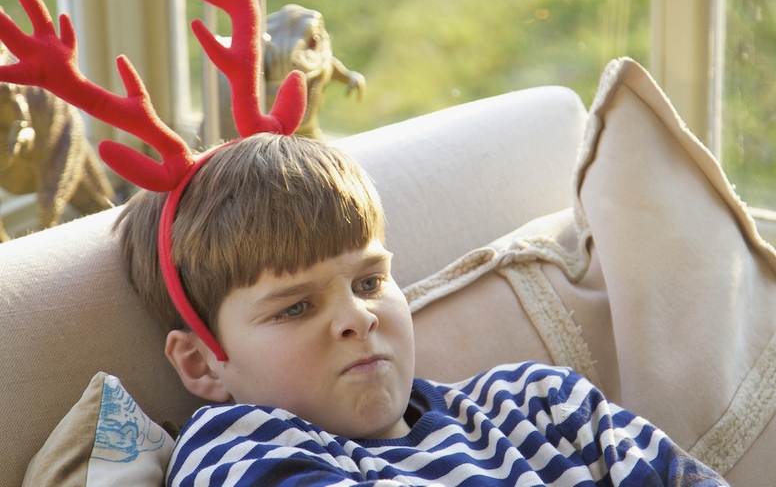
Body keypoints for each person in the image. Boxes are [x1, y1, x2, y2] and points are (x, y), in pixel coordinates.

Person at [115, 132, 727, 486]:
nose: (357, 317)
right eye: (295, 307)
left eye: (369, 279)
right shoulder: (236, 452)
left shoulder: (539, 402)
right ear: (202, 364)